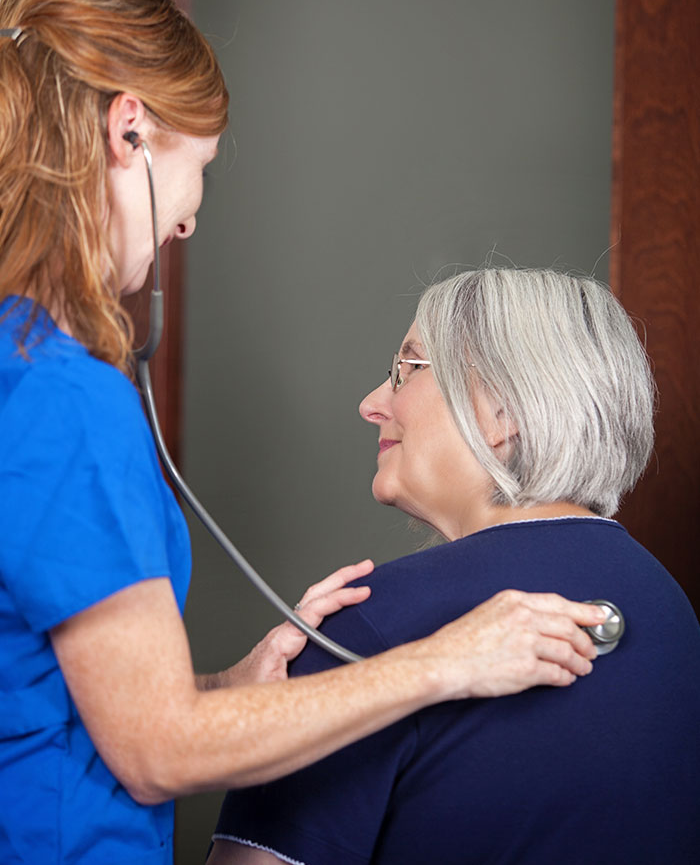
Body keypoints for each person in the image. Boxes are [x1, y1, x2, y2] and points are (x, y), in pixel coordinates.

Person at [0, 0, 606, 865]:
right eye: (197, 165)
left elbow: (44, 691)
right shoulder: (64, 394)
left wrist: (229, 688)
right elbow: (154, 750)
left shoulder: (21, 366)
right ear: (129, 132)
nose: (191, 217)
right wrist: (449, 661)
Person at [211, 268, 700, 865]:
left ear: (503, 410)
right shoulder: (671, 611)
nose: (371, 404)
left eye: (406, 369)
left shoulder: (357, 629)